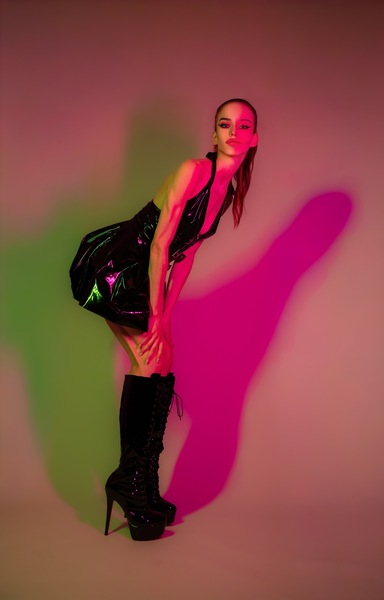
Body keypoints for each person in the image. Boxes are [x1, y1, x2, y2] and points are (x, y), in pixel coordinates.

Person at [70, 98, 258, 541]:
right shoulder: (194, 171)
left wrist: (166, 317)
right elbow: (159, 246)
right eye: (225, 124)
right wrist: (155, 316)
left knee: (164, 359)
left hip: (147, 278)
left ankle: (142, 482)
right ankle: (129, 483)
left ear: (254, 139)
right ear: (214, 134)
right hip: (118, 269)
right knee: (151, 360)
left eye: (243, 126)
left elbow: (185, 257)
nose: (233, 133)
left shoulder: (226, 192)